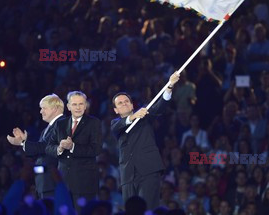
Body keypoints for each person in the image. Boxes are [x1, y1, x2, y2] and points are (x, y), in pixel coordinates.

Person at [111, 71, 180, 210]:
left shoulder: (145, 114)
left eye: (126, 102)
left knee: (148, 208)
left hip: (148, 170)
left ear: (131, 105)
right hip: (128, 175)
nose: (124, 104)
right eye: (120, 103)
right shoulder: (116, 123)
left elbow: (160, 106)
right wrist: (133, 117)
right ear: (116, 110)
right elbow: (117, 126)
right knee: (131, 210)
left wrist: (170, 86)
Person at [46, 91, 102, 206]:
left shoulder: (93, 123)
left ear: (85, 105)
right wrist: (59, 148)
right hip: (63, 180)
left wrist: (73, 147)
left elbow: (96, 149)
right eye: (75, 104)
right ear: (68, 106)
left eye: (81, 104)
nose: (78, 107)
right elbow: (49, 147)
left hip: (84, 182)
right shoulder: (60, 124)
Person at [7, 94, 65, 198]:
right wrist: (24, 141)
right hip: (44, 183)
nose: (41, 111)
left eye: (44, 108)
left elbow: (45, 147)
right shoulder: (47, 129)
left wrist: (22, 143)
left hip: (52, 182)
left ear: (55, 109)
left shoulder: (61, 124)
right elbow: (40, 151)